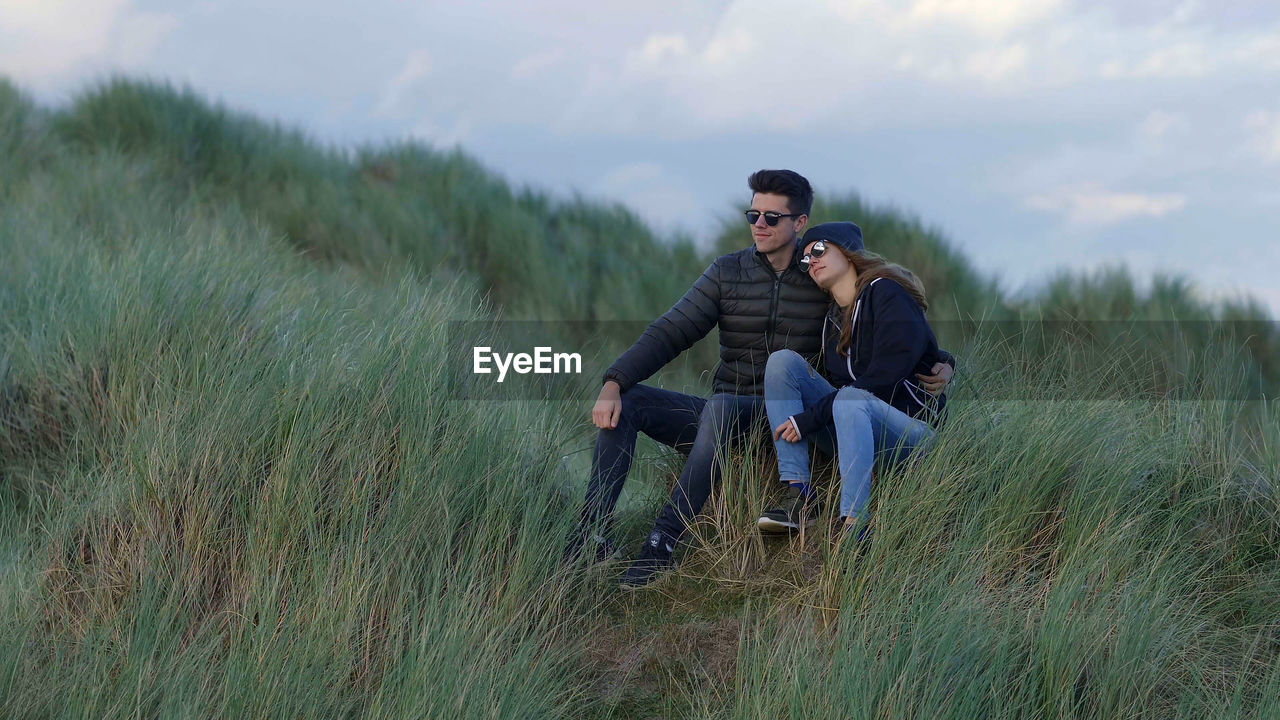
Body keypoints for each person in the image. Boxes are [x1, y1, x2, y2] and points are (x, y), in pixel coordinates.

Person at [565, 170, 954, 588]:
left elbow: (886, 330)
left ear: (799, 223)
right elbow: (669, 331)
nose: (759, 226)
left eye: (772, 217)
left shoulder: (819, 279)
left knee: (721, 406)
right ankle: (590, 536)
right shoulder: (727, 273)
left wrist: (942, 361)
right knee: (632, 403)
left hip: (787, 423)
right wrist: (614, 381)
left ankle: (661, 544)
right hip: (724, 418)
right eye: (753, 215)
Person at [760, 222, 947, 539]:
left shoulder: (887, 293)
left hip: (911, 438)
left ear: (847, 252)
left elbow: (889, 371)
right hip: (854, 431)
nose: (812, 261)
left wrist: (811, 418)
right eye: (805, 259)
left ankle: (856, 527)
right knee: (782, 363)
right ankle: (798, 494)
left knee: (850, 397)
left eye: (819, 249)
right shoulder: (832, 319)